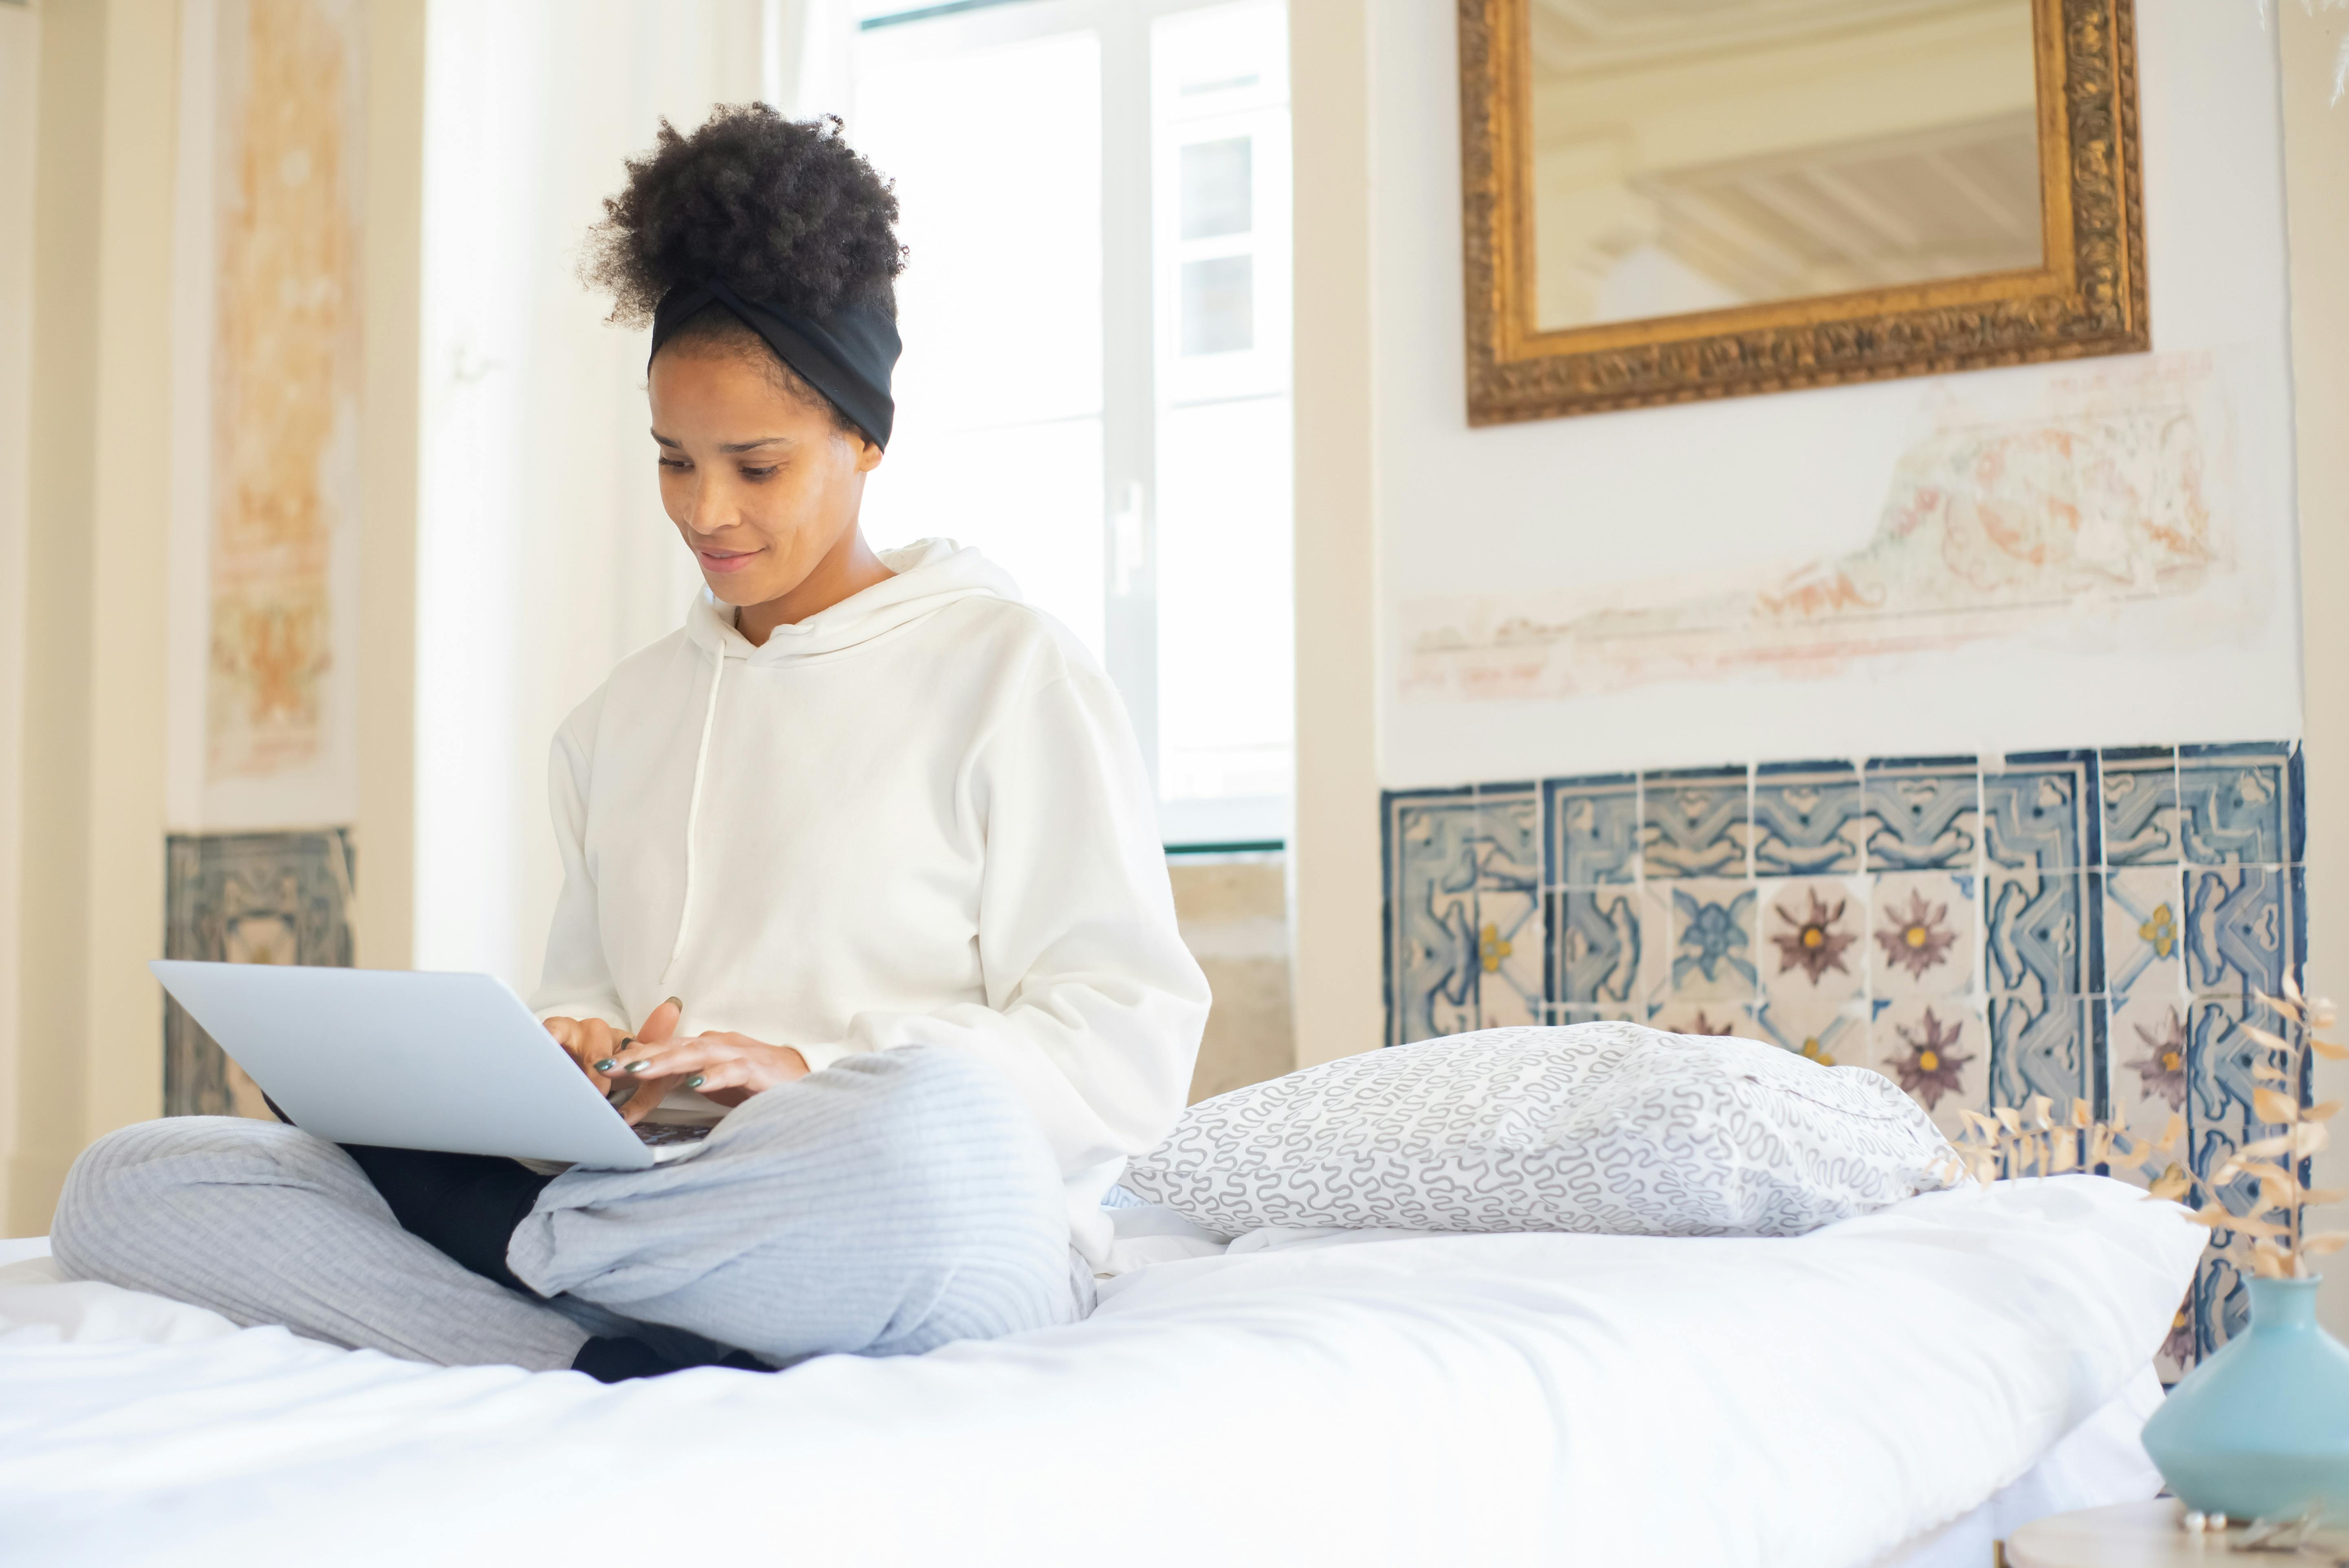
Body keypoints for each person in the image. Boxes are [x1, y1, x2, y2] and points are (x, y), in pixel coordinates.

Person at [50, 106, 1211, 1380]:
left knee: (926, 1137)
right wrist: (574, 1050)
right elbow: (597, 994)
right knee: (135, 1180)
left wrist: (808, 1071)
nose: (706, 511)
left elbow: (1124, 1037)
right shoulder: (618, 720)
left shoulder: (1011, 671)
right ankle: (592, 1333)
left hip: (892, 1213)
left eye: (755, 467)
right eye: (673, 462)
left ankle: (518, 1263)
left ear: (866, 437)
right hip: (673, 1209)